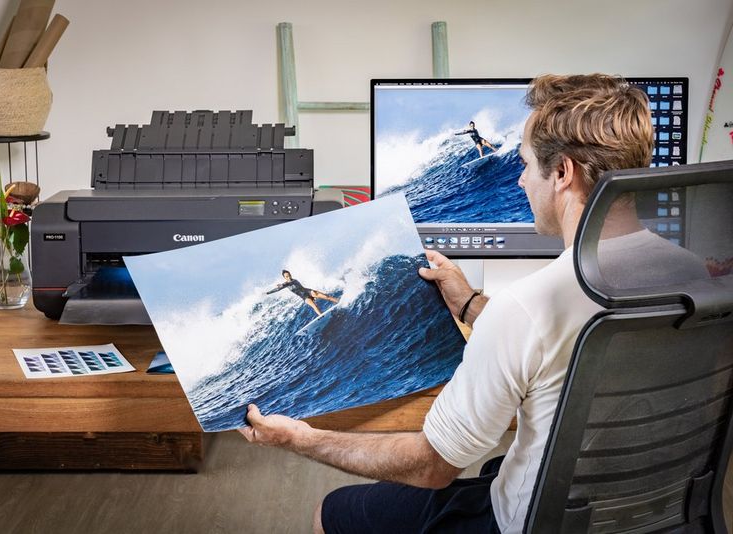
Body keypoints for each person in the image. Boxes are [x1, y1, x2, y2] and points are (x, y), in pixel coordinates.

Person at [238, 74, 695, 533]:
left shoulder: (528, 308)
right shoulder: (701, 278)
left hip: (538, 522)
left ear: (562, 174)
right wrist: (471, 303)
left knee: (334, 513)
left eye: (525, 164)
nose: (518, 179)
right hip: (658, 510)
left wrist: (301, 438)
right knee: (497, 466)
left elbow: (431, 467)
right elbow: (557, 348)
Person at [266, 270, 339, 317]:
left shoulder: (294, 280)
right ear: (284, 277)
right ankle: (322, 317)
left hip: (308, 291)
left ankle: (338, 301)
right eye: (286, 276)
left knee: (326, 297)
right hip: (304, 297)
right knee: (314, 306)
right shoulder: (286, 284)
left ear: (290, 274)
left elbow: (291, 282)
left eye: (289, 275)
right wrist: (268, 293)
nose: (288, 277)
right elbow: (279, 288)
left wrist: (282, 285)